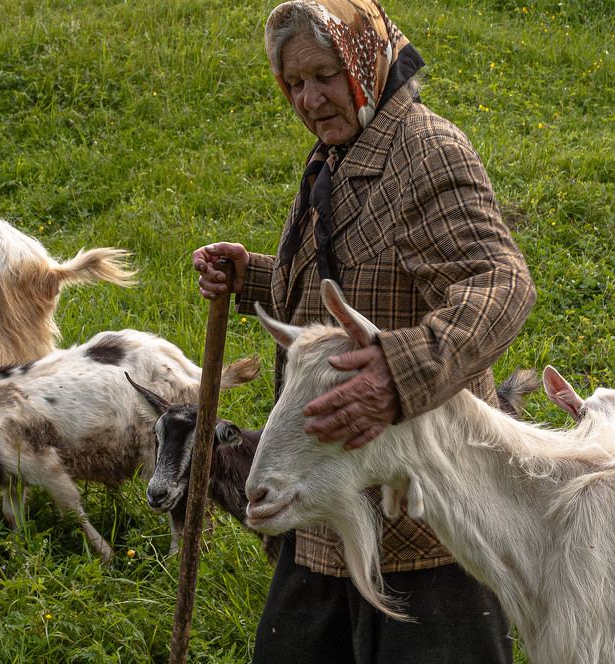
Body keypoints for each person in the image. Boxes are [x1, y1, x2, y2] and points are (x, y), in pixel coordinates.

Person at [193, 1, 536, 661]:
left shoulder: (427, 152)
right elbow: (350, 283)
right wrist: (256, 277)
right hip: (335, 493)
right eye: (295, 84)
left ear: (366, 62)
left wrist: (396, 372)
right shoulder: (339, 153)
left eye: (324, 75)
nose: (310, 98)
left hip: (424, 517)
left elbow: (501, 285)